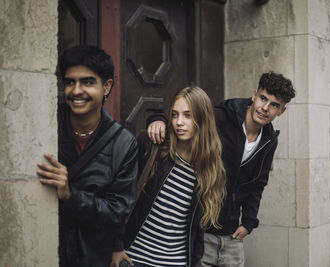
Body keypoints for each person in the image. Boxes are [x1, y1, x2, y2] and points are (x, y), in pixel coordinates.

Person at [147, 72, 295, 266]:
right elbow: (184, 118)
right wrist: (157, 119)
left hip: (232, 235)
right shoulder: (221, 116)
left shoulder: (269, 140)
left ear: (281, 111)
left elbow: (258, 183)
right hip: (201, 231)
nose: (265, 108)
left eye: (274, 105)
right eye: (263, 98)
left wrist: (249, 222)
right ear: (254, 95)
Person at [36, 45, 138, 267]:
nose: (76, 90)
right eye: (70, 82)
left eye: (87, 82)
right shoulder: (45, 120)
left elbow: (116, 212)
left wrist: (70, 195)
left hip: (92, 257)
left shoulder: (123, 143)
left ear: (107, 86)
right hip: (42, 246)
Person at [111, 86, 226, 267]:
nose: (179, 122)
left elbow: (197, 230)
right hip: (134, 259)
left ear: (203, 119)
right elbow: (120, 195)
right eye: (174, 115)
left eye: (188, 115)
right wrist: (116, 246)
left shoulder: (209, 169)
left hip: (176, 263)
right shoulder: (154, 149)